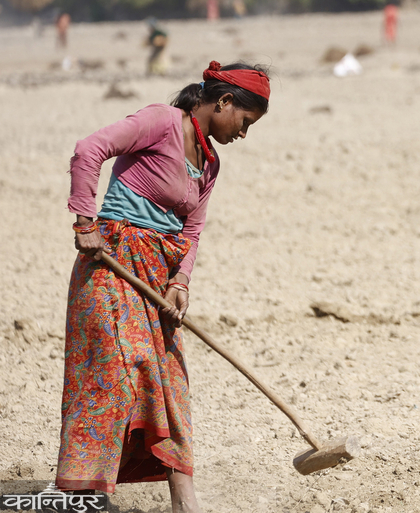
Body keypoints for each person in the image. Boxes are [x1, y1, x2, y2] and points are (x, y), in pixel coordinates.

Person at [59, 61, 270, 513]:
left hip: (156, 278)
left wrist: (181, 282)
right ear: (224, 101)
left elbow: (191, 231)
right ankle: (85, 495)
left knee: (170, 383)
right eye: (245, 121)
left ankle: (184, 503)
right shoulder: (161, 122)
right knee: (115, 376)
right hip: (111, 265)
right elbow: (89, 149)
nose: (243, 133)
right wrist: (85, 221)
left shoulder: (210, 163)